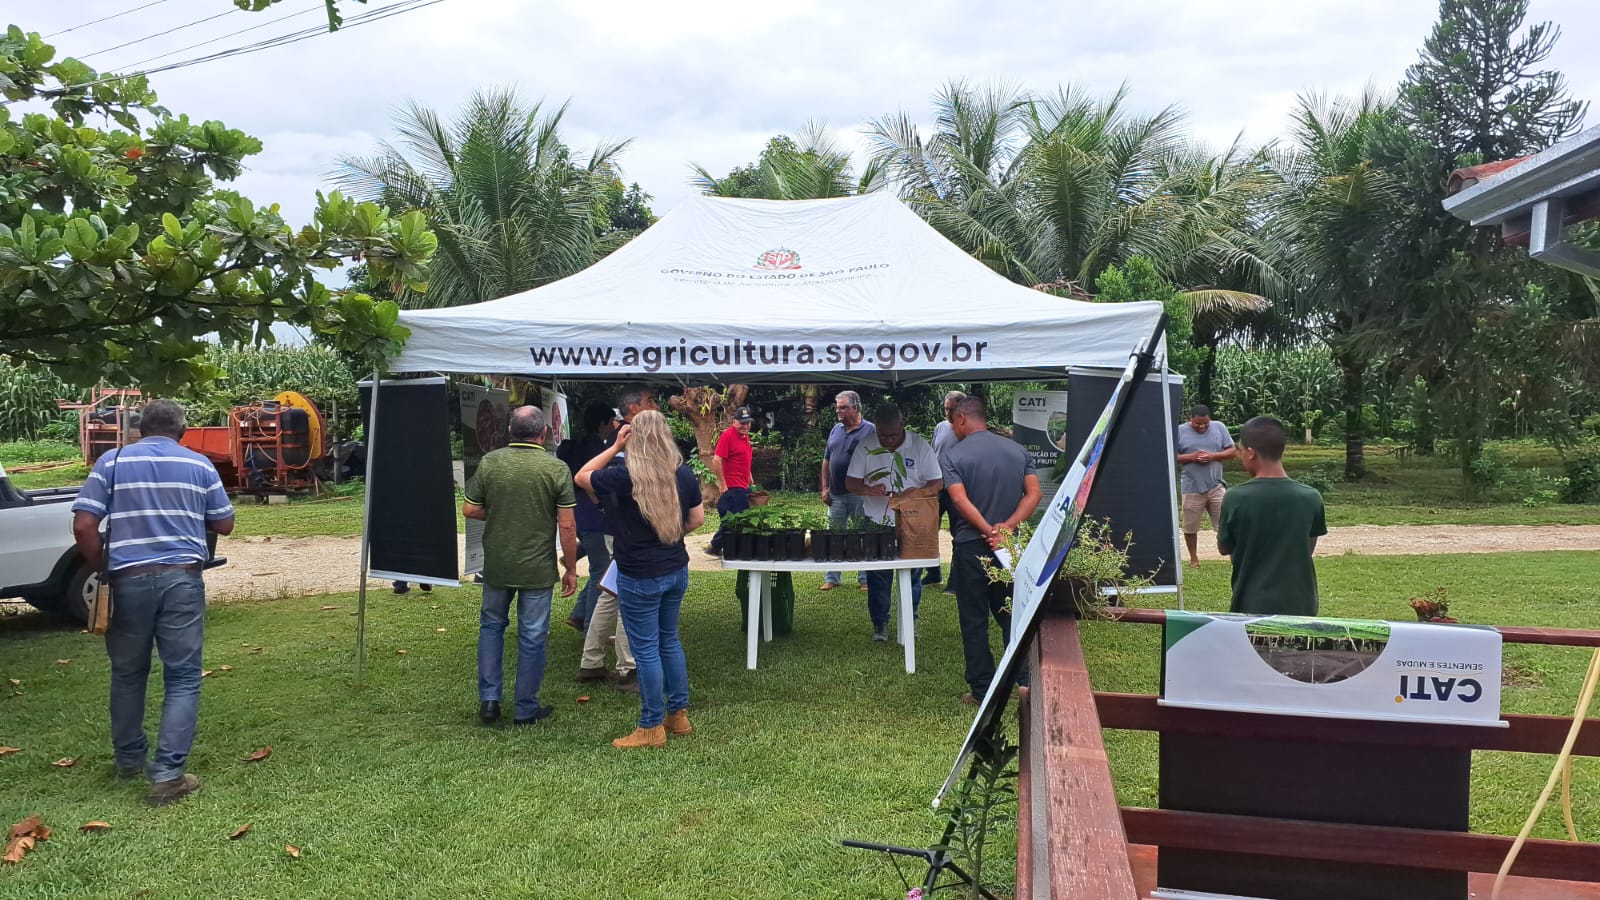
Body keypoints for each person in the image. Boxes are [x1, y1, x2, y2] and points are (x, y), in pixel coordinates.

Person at [69, 400, 235, 806]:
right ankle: (168, 775)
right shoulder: (199, 465)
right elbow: (225, 523)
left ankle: (129, 762)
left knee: (127, 673)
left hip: (128, 580)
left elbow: (84, 524)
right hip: (182, 579)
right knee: (181, 677)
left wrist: (103, 566)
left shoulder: (113, 461)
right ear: (182, 429)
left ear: (139, 428)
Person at [577, 411, 705, 749]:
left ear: (634, 437)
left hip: (638, 573)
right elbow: (697, 519)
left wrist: (616, 444)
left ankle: (650, 726)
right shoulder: (683, 473)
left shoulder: (623, 476)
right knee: (669, 641)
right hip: (675, 567)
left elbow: (583, 475)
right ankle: (677, 715)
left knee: (646, 648)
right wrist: (669, 536)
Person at [462, 406, 578, 726]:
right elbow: (567, 527)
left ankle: (489, 699)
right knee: (533, 635)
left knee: (491, 626)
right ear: (543, 434)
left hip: (497, 563)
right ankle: (526, 707)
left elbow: (470, 509)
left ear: (510, 432)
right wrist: (570, 567)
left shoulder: (490, 462)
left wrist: (498, 513)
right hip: (537, 567)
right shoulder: (555, 469)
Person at [941, 395, 1041, 706]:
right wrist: (1006, 529)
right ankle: (1025, 680)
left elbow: (959, 500)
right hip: (1009, 547)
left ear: (960, 419)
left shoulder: (953, 456)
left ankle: (982, 690)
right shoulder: (1018, 450)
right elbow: (1034, 494)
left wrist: (987, 530)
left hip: (972, 545)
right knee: (1012, 614)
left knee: (973, 619)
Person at [845, 406, 941, 641]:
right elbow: (850, 482)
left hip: (912, 521)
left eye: (893, 435)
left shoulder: (919, 446)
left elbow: (937, 483)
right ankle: (880, 624)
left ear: (902, 426)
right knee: (878, 575)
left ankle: (910, 619)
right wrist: (868, 489)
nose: (887, 440)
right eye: (883, 435)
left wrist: (916, 492)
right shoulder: (866, 445)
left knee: (912, 574)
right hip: (877, 521)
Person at [1217, 416, 1327, 616]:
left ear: (1251, 453)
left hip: (1251, 603)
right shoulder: (1311, 497)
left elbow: (1225, 548)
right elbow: (1307, 548)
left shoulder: (1235, 498)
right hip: (1301, 604)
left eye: (1240, 451)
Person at [558, 402, 621, 632]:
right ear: (602, 423)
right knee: (601, 571)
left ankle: (579, 614)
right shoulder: (596, 447)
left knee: (600, 563)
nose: (613, 426)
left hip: (578, 513)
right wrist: (601, 504)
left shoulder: (577, 443)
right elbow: (589, 481)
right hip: (593, 514)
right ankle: (591, 628)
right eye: (611, 422)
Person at [820, 390, 875, 592]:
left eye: (843, 408)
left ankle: (865, 579)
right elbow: (826, 460)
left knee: (862, 534)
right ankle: (832, 577)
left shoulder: (870, 431)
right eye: (837, 408)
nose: (838, 411)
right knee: (834, 535)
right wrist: (824, 488)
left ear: (855, 408)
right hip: (836, 494)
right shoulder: (836, 429)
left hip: (859, 495)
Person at [1174, 404, 1238, 569]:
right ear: (1190, 419)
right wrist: (1191, 457)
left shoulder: (1219, 427)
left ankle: (1233, 557)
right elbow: (1170, 456)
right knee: (1190, 526)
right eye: (1198, 424)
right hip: (1192, 486)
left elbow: (1232, 452)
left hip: (1216, 485)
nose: (1202, 427)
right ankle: (1194, 559)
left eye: (1205, 424)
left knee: (1225, 524)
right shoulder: (1179, 431)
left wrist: (1212, 456)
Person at [922, 390, 966, 587]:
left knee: (959, 535)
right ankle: (933, 573)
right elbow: (933, 454)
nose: (948, 413)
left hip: (958, 489)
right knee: (928, 531)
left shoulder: (968, 429)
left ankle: (955, 580)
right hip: (936, 489)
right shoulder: (940, 427)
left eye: (951, 409)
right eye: (946, 409)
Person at [706, 406, 755, 557]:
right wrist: (722, 484)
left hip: (743, 485)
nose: (745, 426)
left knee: (737, 518)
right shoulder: (728, 436)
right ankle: (718, 546)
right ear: (734, 422)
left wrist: (751, 480)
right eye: (742, 423)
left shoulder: (745, 438)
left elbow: (744, 461)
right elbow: (716, 460)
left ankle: (717, 546)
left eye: (748, 423)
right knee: (734, 520)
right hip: (733, 487)